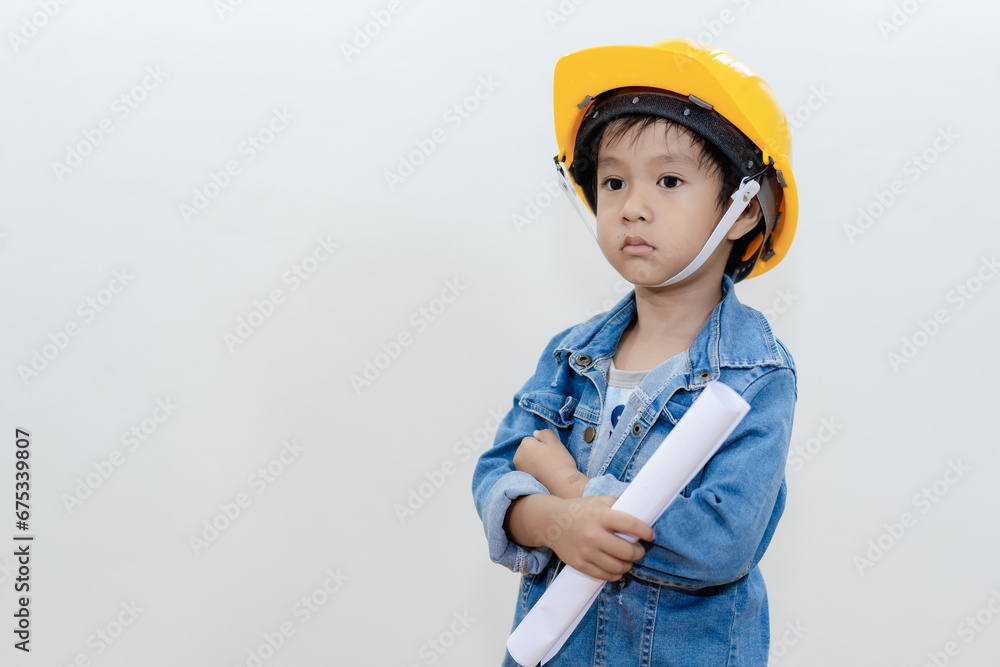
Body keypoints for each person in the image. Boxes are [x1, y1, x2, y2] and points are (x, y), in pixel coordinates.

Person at [471, 37, 799, 666]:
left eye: (669, 180)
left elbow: (719, 542)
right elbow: (496, 473)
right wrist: (554, 525)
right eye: (614, 181)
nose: (632, 208)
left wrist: (570, 486)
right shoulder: (572, 354)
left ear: (742, 212)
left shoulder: (756, 373)